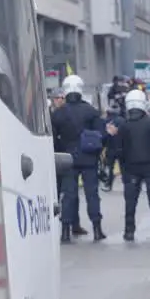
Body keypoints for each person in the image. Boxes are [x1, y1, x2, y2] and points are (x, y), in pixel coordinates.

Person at [51, 74, 109, 243]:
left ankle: (65, 231)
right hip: (89, 158)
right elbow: (102, 135)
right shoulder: (91, 111)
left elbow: (53, 140)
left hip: (67, 159)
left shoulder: (58, 114)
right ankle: (97, 229)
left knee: (68, 195)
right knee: (92, 194)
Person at [117, 89, 150, 241]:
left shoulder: (124, 126)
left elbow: (119, 149)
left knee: (131, 201)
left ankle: (129, 230)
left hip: (131, 168)